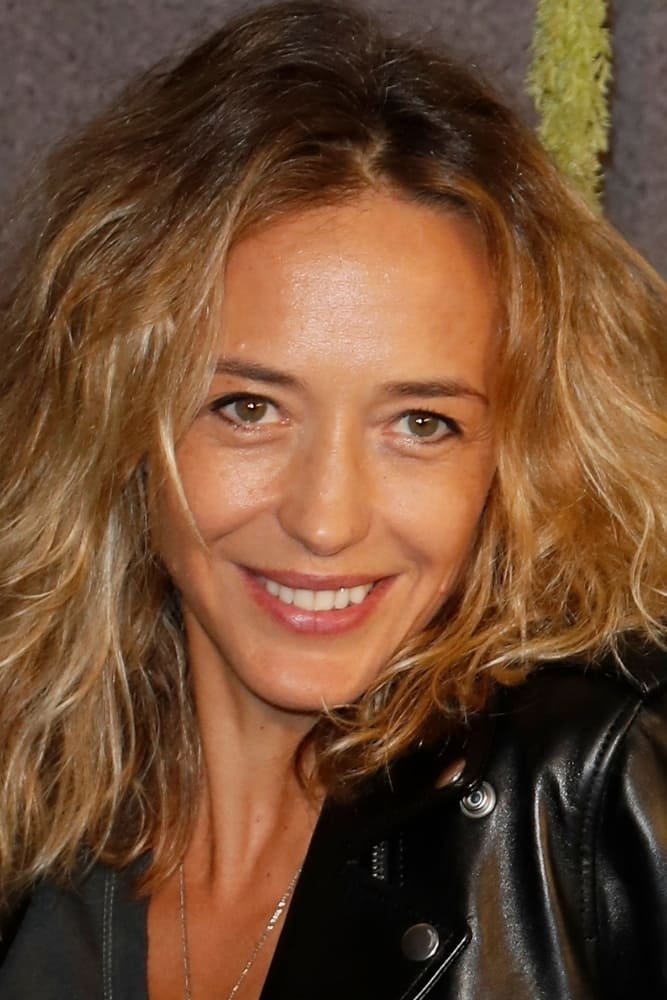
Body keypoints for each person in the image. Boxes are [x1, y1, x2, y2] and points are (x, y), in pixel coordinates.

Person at [0, 1, 666, 997]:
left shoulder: (598, 792)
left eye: (421, 423)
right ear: (115, 417)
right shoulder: (28, 794)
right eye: (248, 408)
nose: (324, 520)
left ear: (520, 457)